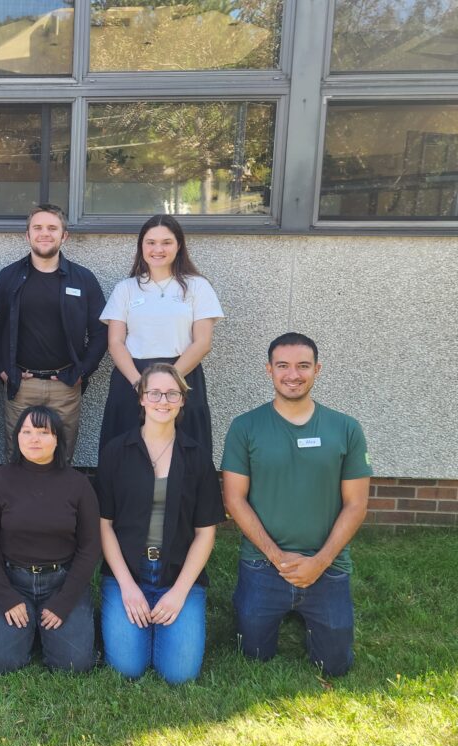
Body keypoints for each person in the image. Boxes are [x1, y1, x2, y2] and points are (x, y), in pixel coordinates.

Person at [222, 332, 371, 677]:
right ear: (269, 370)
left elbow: (356, 504)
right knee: (252, 654)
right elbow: (233, 498)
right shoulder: (245, 427)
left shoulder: (346, 428)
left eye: (303, 366)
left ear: (317, 369)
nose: (293, 374)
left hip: (328, 564)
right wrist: (278, 557)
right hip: (262, 563)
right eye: (283, 366)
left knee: (334, 665)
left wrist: (319, 561)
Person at [96, 363, 225, 684]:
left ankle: (164, 617)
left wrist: (179, 592)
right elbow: (104, 525)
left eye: (172, 393)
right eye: (154, 392)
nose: (162, 400)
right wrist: (127, 587)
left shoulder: (196, 457)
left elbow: (205, 532)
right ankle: (133, 617)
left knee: (179, 674)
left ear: (183, 400)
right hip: (127, 574)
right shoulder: (116, 452)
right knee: (128, 668)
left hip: (177, 575)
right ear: (141, 398)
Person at [0, 405, 100, 674]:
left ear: (58, 439)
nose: (34, 439)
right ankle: (27, 630)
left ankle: (42, 630)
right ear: (16, 436)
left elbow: (90, 548)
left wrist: (64, 601)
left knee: (74, 664)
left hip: (61, 581)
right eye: (27, 431)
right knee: (2, 662)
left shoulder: (78, 484)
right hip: (10, 579)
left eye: (43, 432)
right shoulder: (0, 480)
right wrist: (6, 596)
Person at [99, 214, 223, 461]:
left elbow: (202, 342)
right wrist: (140, 384)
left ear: (178, 246)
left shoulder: (197, 287)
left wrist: (170, 382)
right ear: (141, 246)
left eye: (166, 242)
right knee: (126, 456)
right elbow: (115, 342)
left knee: (185, 455)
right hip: (132, 379)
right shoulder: (126, 288)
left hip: (182, 376)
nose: (158, 249)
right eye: (151, 242)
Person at [0, 203, 106, 460]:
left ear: (64, 235)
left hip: (65, 385)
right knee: (18, 456)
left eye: (52, 228)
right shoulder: (8, 278)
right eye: (38, 227)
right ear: (27, 235)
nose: (45, 233)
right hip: (21, 387)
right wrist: (3, 371)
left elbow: (101, 332)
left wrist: (82, 371)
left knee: (61, 457)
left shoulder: (82, 279)